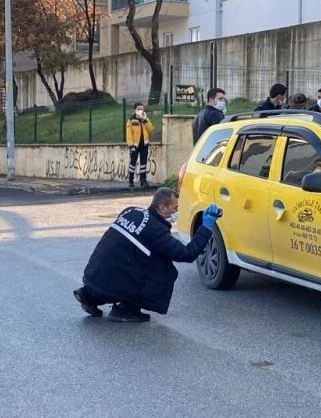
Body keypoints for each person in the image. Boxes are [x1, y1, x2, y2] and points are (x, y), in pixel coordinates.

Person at [73, 188, 221, 322]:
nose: (177, 211)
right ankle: (127, 309)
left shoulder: (130, 211)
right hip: (111, 281)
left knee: (138, 255)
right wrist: (206, 226)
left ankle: (88, 296)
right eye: (175, 208)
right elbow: (187, 254)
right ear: (162, 207)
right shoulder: (155, 229)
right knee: (164, 269)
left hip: (92, 276)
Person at [125, 102, 154, 188]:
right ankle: (131, 180)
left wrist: (145, 120)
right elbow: (129, 134)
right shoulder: (131, 120)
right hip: (135, 146)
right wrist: (131, 146)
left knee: (143, 164)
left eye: (142, 109)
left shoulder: (145, 119)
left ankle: (143, 180)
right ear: (135, 110)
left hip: (144, 144)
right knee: (133, 163)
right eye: (138, 109)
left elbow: (150, 129)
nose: (140, 110)